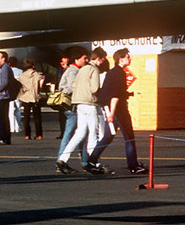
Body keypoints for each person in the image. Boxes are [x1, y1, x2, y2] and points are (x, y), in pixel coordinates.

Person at [56, 46, 103, 175]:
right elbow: (94, 89)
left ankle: (62, 159)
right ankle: (94, 162)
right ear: (99, 59)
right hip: (89, 103)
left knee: (79, 134)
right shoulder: (93, 69)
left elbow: (74, 85)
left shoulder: (81, 70)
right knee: (93, 133)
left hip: (79, 104)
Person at [99, 47, 143, 174]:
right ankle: (133, 166)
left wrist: (127, 94)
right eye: (128, 57)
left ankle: (92, 159)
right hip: (119, 110)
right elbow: (115, 96)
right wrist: (112, 113)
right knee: (129, 137)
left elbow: (114, 92)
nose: (130, 59)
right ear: (121, 59)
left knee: (108, 136)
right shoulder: (119, 74)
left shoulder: (112, 72)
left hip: (111, 108)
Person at [16, 58, 45, 140]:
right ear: (33, 66)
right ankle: (39, 134)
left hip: (26, 97)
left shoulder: (22, 76)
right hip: (35, 97)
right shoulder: (37, 74)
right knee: (37, 117)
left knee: (26, 117)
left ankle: (27, 135)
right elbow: (41, 83)